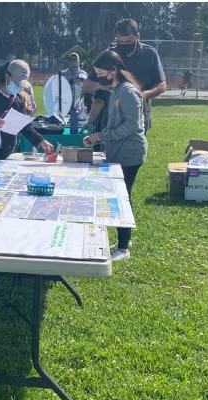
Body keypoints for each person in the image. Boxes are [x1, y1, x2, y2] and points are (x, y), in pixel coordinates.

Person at [82, 51, 146, 262]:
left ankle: (124, 247)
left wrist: (103, 135)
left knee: (123, 199)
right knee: (119, 197)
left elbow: (132, 125)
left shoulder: (128, 91)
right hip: (117, 150)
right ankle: (122, 241)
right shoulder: (116, 89)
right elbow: (114, 123)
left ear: (113, 70)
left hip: (130, 153)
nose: (99, 76)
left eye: (101, 72)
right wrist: (99, 138)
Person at [83, 18, 166, 133]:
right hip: (111, 118)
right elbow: (88, 87)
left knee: (133, 147)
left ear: (137, 37)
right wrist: (101, 86)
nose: (123, 45)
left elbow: (162, 84)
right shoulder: (109, 55)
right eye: (120, 42)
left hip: (138, 117)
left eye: (128, 42)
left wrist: (143, 95)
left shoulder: (149, 54)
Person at [0, 60, 54, 161]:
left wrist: (40, 140)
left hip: (5, 152)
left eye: (21, 85)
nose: (19, 87)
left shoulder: (19, 100)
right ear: (7, 76)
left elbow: (25, 126)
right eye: (16, 83)